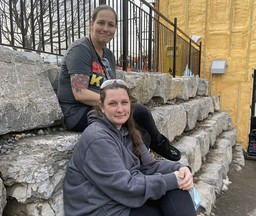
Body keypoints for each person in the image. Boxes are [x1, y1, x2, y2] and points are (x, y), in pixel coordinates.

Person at [57, 4, 180, 161]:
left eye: (111, 25)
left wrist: (121, 103)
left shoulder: (108, 55)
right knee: (139, 121)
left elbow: (111, 87)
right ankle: (151, 153)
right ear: (91, 24)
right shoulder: (80, 50)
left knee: (141, 121)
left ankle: (155, 147)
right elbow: (80, 93)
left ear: (115, 29)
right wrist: (120, 104)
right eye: (101, 23)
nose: (105, 28)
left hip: (102, 107)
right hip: (78, 113)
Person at [63, 79, 196, 216]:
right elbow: (124, 187)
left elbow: (149, 166)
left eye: (124, 103)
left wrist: (179, 170)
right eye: (112, 104)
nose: (120, 109)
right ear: (102, 107)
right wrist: (173, 180)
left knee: (177, 190)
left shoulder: (128, 130)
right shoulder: (98, 138)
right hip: (100, 208)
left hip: (121, 200)